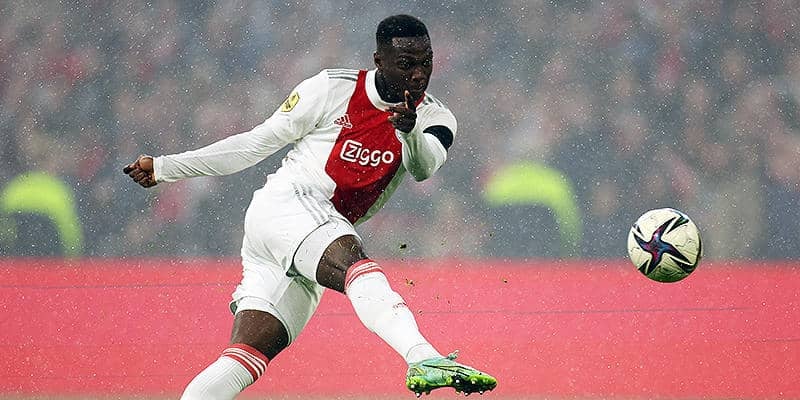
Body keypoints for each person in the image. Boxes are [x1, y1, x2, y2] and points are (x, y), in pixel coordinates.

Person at [123, 14, 496, 399]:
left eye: (426, 62)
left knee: (243, 361)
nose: (418, 74)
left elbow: (423, 168)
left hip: (308, 238)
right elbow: (255, 144)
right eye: (406, 64)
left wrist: (410, 130)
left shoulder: (436, 116)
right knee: (357, 266)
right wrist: (166, 167)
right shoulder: (331, 88)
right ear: (379, 60)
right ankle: (424, 356)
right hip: (289, 206)